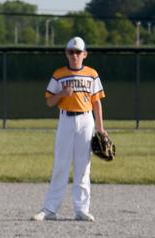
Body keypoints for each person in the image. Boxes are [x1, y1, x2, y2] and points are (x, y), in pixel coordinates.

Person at [32, 36, 106, 223]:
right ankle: (50, 209)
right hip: (66, 119)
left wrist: (100, 128)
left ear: (85, 54)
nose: (74, 55)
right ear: (66, 53)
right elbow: (49, 101)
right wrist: (62, 94)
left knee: (83, 166)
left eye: (78, 52)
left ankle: (81, 209)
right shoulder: (59, 74)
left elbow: (96, 102)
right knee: (61, 164)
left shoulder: (92, 74)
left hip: (86, 120)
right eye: (71, 52)